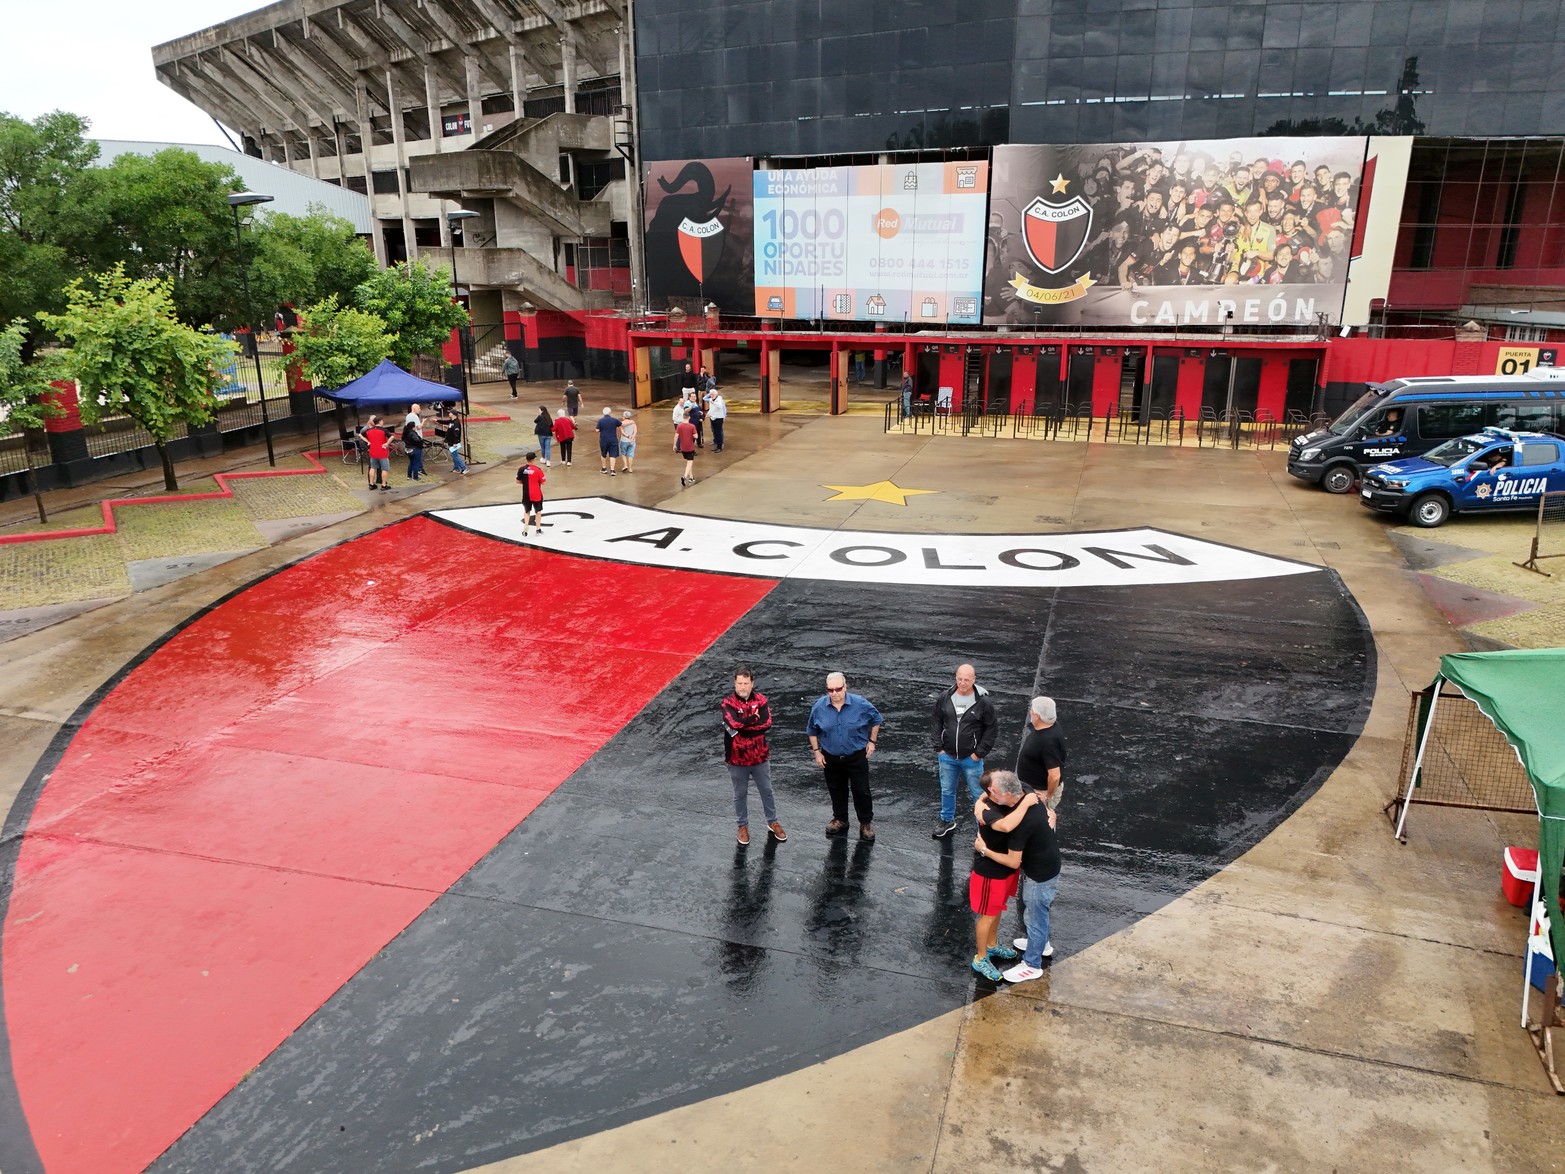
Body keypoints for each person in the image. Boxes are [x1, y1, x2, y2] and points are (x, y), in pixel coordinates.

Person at [982, 773, 1060, 984]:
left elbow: (1012, 862)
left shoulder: (1022, 825)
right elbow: (995, 784)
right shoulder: (1023, 788)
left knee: (1034, 916)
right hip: (1049, 864)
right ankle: (1041, 944)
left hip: (1039, 874)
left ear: (1009, 794)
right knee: (1038, 913)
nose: (990, 796)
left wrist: (984, 850)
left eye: (994, 793)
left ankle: (1032, 964)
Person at [806, 672, 883, 841]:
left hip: (856, 756)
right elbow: (812, 730)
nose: (834, 693)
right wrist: (816, 751)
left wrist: (872, 741)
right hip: (831, 757)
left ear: (845, 687)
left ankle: (865, 823)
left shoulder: (860, 704)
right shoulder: (819, 707)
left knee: (861, 791)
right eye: (830, 690)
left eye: (838, 689)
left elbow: (876, 719)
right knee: (836, 789)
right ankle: (840, 819)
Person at [930, 663, 999, 840]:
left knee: (978, 793)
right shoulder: (945, 697)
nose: (962, 683)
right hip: (948, 756)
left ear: (974, 680)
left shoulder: (983, 702)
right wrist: (939, 747)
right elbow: (936, 721)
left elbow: (991, 729)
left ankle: (982, 827)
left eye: (966, 680)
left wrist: (979, 753)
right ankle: (946, 820)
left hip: (972, 759)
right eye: (959, 679)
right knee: (947, 790)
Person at [969, 770, 1025, 982]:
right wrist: (1028, 803)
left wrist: (980, 798)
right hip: (989, 872)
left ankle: (992, 946)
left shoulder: (993, 799)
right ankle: (981, 958)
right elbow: (1006, 826)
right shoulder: (987, 811)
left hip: (1005, 870)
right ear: (994, 791)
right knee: (987, 914)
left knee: (997, 909)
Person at [722, 667, 785, 847]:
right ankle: (742, 826)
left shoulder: (762, 700)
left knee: (767, 790)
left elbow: (766, 724)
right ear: (735, 683)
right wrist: (752, 719)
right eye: (739, 683)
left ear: (752, 683)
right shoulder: (727, 703)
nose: (742, 687)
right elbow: (733, 723)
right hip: (736, 759)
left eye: (746, 683)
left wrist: (743, 726)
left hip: (760, 757)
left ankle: (772, 821)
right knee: (739, 794)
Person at [1016, 696, 1066, 811]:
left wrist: (1048, 796)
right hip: (1029, 786)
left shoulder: (1048, 742)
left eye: (1032, 711)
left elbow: (1055, 776)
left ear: (1037, 716)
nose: (1030, 712)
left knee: (1036, 822)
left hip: (1038, 791)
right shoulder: (1050, 725)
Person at [516, 451, 545, 535]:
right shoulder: (538, 470)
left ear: (526, 459)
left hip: (526, 494)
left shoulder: (521, 469)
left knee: (527, 511)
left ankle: (525, 529)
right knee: (538, 511)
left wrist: (525, 482)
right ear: (534, 459)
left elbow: (517, 481)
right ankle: (538, 529)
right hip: (536, 494)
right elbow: (543, 482)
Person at [436, 405, 469, 474]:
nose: (449, 413)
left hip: (454, 443)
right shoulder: (452, 421)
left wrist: (455, 443)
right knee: (454, 455)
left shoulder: (456, 423)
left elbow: (456, 434)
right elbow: (446, 422)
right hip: (451, 442)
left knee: (455, 455)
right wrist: (437, 421)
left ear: (453, 414)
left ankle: (464, 468)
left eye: (450, 412)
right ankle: (456, 468)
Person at [363, 414, 392, 491]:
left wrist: (368, 441)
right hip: (382, 452)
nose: (383, 422)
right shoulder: (383, 430)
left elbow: (361, 435)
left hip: (373, 451)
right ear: (379, 422)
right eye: (382, 421)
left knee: (372, 467)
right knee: (384, 468)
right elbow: (391, 436)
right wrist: (387, 443)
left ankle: (371, 484)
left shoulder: (368, 431)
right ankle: (383, 484)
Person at [595, 406, 622, 476]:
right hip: (613, 439)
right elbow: (621, 424)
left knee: (603, 454)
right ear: (610, 413)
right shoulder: (614, 420)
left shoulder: (601, 420)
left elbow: (597, 430)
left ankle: (604, 468)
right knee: (612, 455)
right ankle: (612, 470)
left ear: (603, 413)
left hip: (604, 439)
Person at [402, 403, 426, 481]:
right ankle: (416, 476)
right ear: (414, 408)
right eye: (419, 408)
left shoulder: (408, 417)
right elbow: (418, 427)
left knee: (412, 462)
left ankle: (409, 476)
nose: (420, 410)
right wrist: (423, 422)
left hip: (409, 447)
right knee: (416, 461)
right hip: (415, 446)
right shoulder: (413, 433)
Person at [676, 409, 698, 485]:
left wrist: (674, 445)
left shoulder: (679, 426)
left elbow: (676, 435)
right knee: (690, 462)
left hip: (683, 447)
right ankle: (685, 476)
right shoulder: (692, 426)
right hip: (690, 447)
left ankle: (691, 477)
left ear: (683, 417)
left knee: (689, 462)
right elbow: (696, 436)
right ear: (689, 417)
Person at [708, 388, 727, 452]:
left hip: (718, 418)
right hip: (712, 417)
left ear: (716, 394)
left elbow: (720, 406)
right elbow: (711, 408)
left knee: (719, 432)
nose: (711, 395)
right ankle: (716, 444)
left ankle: (719, 447)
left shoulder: (719, 399)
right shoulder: (710, 399)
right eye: (711, 394)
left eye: (713, 394)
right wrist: (708, 413)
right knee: (715, 432)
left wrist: (713, 402)